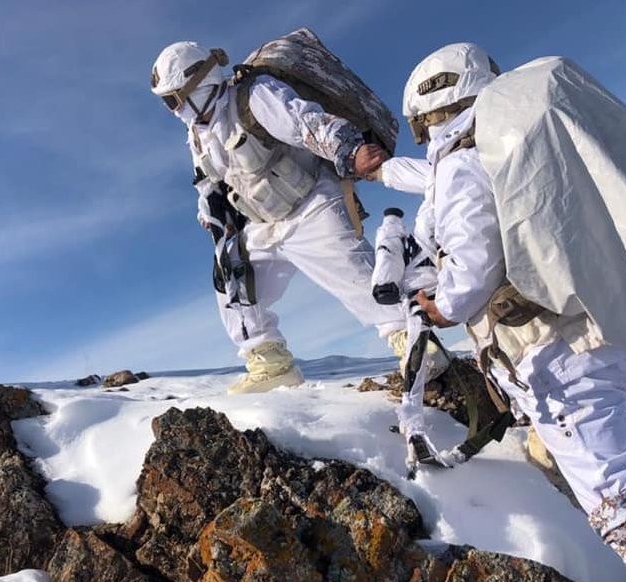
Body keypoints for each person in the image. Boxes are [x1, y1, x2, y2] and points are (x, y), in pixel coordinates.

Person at [373, 42, 626, 582]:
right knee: (591, 463)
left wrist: (442, 305)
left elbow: (472, 266)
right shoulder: (515, 141)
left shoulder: (461, 162)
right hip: (593, 322)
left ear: (427, 113)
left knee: (615, 496)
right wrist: (382, 171)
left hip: (554, 350)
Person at [150, 41, 445, 394]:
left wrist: (350, 151)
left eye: (175, 99)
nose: (174, 110)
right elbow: (209, 181)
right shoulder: (198, 135)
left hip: (310, 207)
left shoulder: (253, 95)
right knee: (232, 283)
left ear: (199, 83)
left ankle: (416, 343)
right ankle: (271, 363)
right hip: (263, 224)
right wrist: (211, 213)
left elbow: (307, 122)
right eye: (168, 102)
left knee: (360, 279)